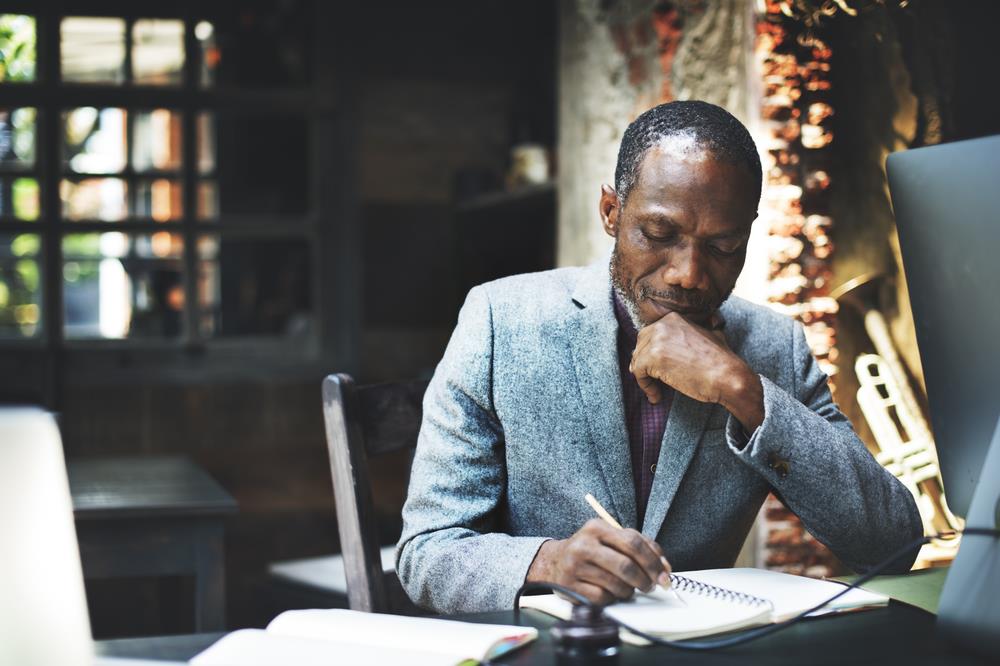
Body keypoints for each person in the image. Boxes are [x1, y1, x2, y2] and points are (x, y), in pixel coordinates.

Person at [396, 100, 922, 614]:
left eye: (721, 247)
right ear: (611, 212)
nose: (687, 275)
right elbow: (426, 553)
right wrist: (549, 561)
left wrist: (745, 391)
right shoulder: (499, 321)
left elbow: (892, 545)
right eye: (659, 234)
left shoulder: (772, 348)